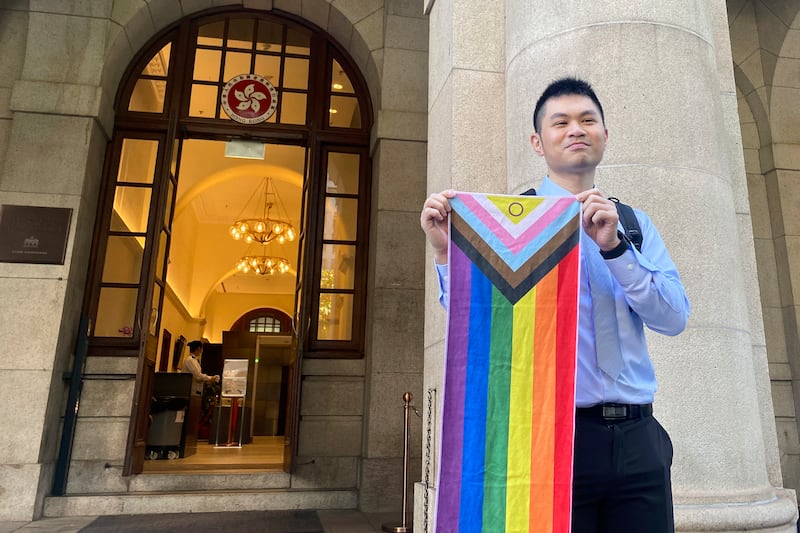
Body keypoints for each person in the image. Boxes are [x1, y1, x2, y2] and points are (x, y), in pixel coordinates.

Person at [420, 77, 690, 532]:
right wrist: (446, 252)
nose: (575, 130)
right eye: (560, 122)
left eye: (588, 120)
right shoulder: (509, 223)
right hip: (551, 439)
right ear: (538, 142)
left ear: (605, 133)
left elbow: (673, 317)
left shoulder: (633, 224)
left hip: (640, 438)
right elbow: (476, 320)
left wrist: (617, 250)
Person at [181, 340, 219, 441]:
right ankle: (187, 437)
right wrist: (210, 378)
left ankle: (190, 437)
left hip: (195, 392)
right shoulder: (190, 361)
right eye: (201, 349)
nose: (201, 351)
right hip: (190, 391)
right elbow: (198, 376)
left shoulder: (194, 360)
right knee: (190, 416)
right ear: (198, 349)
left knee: (193, 416)